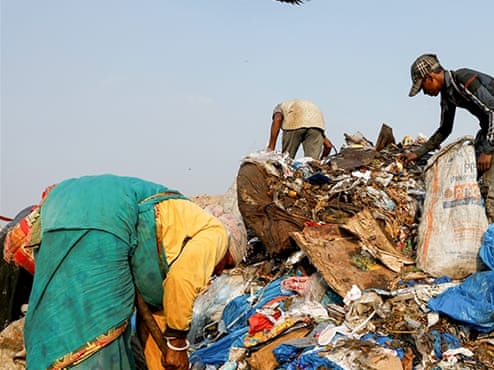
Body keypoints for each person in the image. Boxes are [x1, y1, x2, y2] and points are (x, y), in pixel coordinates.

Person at [22, 174, 248, 370]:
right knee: (98, 336)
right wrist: (178, 342)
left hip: (57, 209)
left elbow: (155, 327)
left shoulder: (169, 246)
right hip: (106, 219)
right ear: (228, 248)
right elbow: (183, 279)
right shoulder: (217, 232)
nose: (218, 273)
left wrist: (170, 352)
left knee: (54, 322)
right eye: (226, 264)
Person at [403, 53, 494, 222]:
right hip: (488, 130)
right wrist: (418, 153)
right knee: (469, 180)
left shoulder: (463, 80)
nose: (424, 92)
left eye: (423, 87)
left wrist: (487, 151)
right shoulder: (447, 94)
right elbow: (445, 129)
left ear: (429, 77)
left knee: (491, 187)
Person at [267, 99, 333, 160]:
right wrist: (320, 162)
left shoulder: (280, 107)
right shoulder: (314, 124)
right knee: (311, 163)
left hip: (295, 121)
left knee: (287, 159)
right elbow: (328, 146)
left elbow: (278, 119)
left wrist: (270, 148)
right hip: (317, 124)